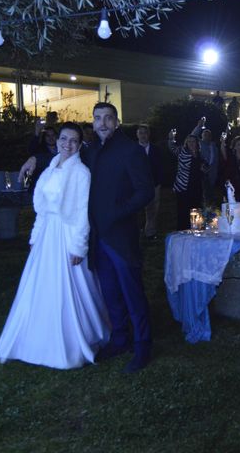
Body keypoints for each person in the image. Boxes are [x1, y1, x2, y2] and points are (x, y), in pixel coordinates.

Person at [19, 103, 155, 373]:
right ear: (92, 122)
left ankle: (143, 346)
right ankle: (120, 339)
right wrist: (36, 159)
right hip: (97, 239)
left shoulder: (131, 151)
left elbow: (145, 192)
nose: (102, 123)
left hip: (121, 237)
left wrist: (118, 213)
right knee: (110, 294)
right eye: (97, 118)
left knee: (132, 294)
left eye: (107, 118)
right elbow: (65, 156)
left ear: (116, 122)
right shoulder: (91, 151)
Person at [0, 123, 110, 369]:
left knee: (71, 287)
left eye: (74, 141)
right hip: (47, 235)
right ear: (57, 140)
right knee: (40, 286)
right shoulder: (50, 167)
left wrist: (79, 247)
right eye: (64, 139)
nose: (68, 144)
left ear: (79, 145)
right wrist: (36, 237)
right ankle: (36, 338)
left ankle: (73, 340)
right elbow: (43, 209)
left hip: (67, 235)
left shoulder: (81, 173)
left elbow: (81, 213)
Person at [169, 128, 206, 230]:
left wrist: (204, 168)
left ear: (197, 143)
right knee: (184, 210)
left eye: (193, 141)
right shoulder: (182, 151)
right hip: (184, 186)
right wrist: (171, 138)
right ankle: (183, 230)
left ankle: (196, 228)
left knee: (197, 208)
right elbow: (171, 147)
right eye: (189, 141)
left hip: (196, 185)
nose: (191, 143)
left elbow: (203, 167)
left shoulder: (199, 153)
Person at [136, 125, 162, 240]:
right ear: (137, 135)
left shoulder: (156, 149)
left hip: (154, 184)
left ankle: (150, 232)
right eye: (140, 133)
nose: (143, 135)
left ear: (148, 134)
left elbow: (160, 166)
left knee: (153, 208)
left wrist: (159, 181)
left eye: (145, 133)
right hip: (137, 185)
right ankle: (137, 232)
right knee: (137, 209)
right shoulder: (132, 149)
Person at [199, 128, 219, 205]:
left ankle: (210, 209)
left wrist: (214, 171)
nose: (207, 137)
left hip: (212, 173)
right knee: (203, 192)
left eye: (208, 135)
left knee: (210, 192)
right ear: (202, 136)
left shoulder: (214, 147)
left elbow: (216, 160)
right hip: (201, 172)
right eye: (205, 135)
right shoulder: (199, 145)